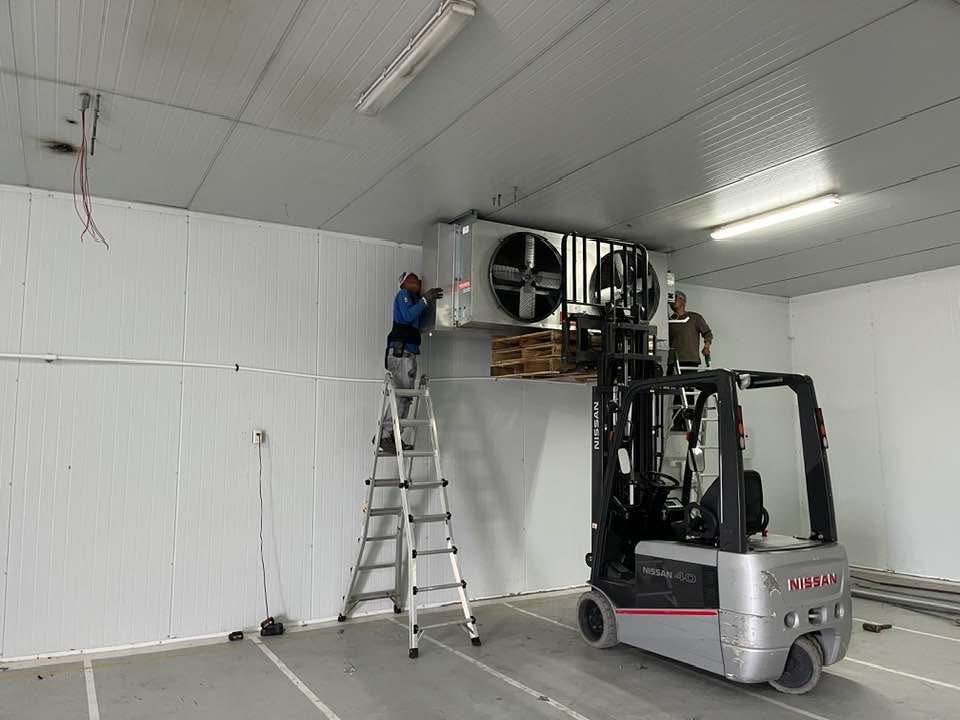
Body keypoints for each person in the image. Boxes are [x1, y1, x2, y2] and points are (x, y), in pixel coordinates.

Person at [380, 272, 443, 454]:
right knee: (401, 396)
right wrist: (424, 300)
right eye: (412, 280)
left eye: (417, 281)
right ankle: (385, 435)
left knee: (405, 398)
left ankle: (393, 436)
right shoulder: (403, 296)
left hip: (408, 354)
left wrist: (429, 304)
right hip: (401, 354)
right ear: (404, 284)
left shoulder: (414, 301)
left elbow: (418, 324)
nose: (416, 283)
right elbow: (407, 316)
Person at [668, 290, 713, 369]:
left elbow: (707, 333)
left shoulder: (694, 317)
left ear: (683, 301)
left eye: (675, 298)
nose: (672, 301)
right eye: (670, 299)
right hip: (673, 360)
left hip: (690, 360)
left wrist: (706, 347)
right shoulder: (668, 320)